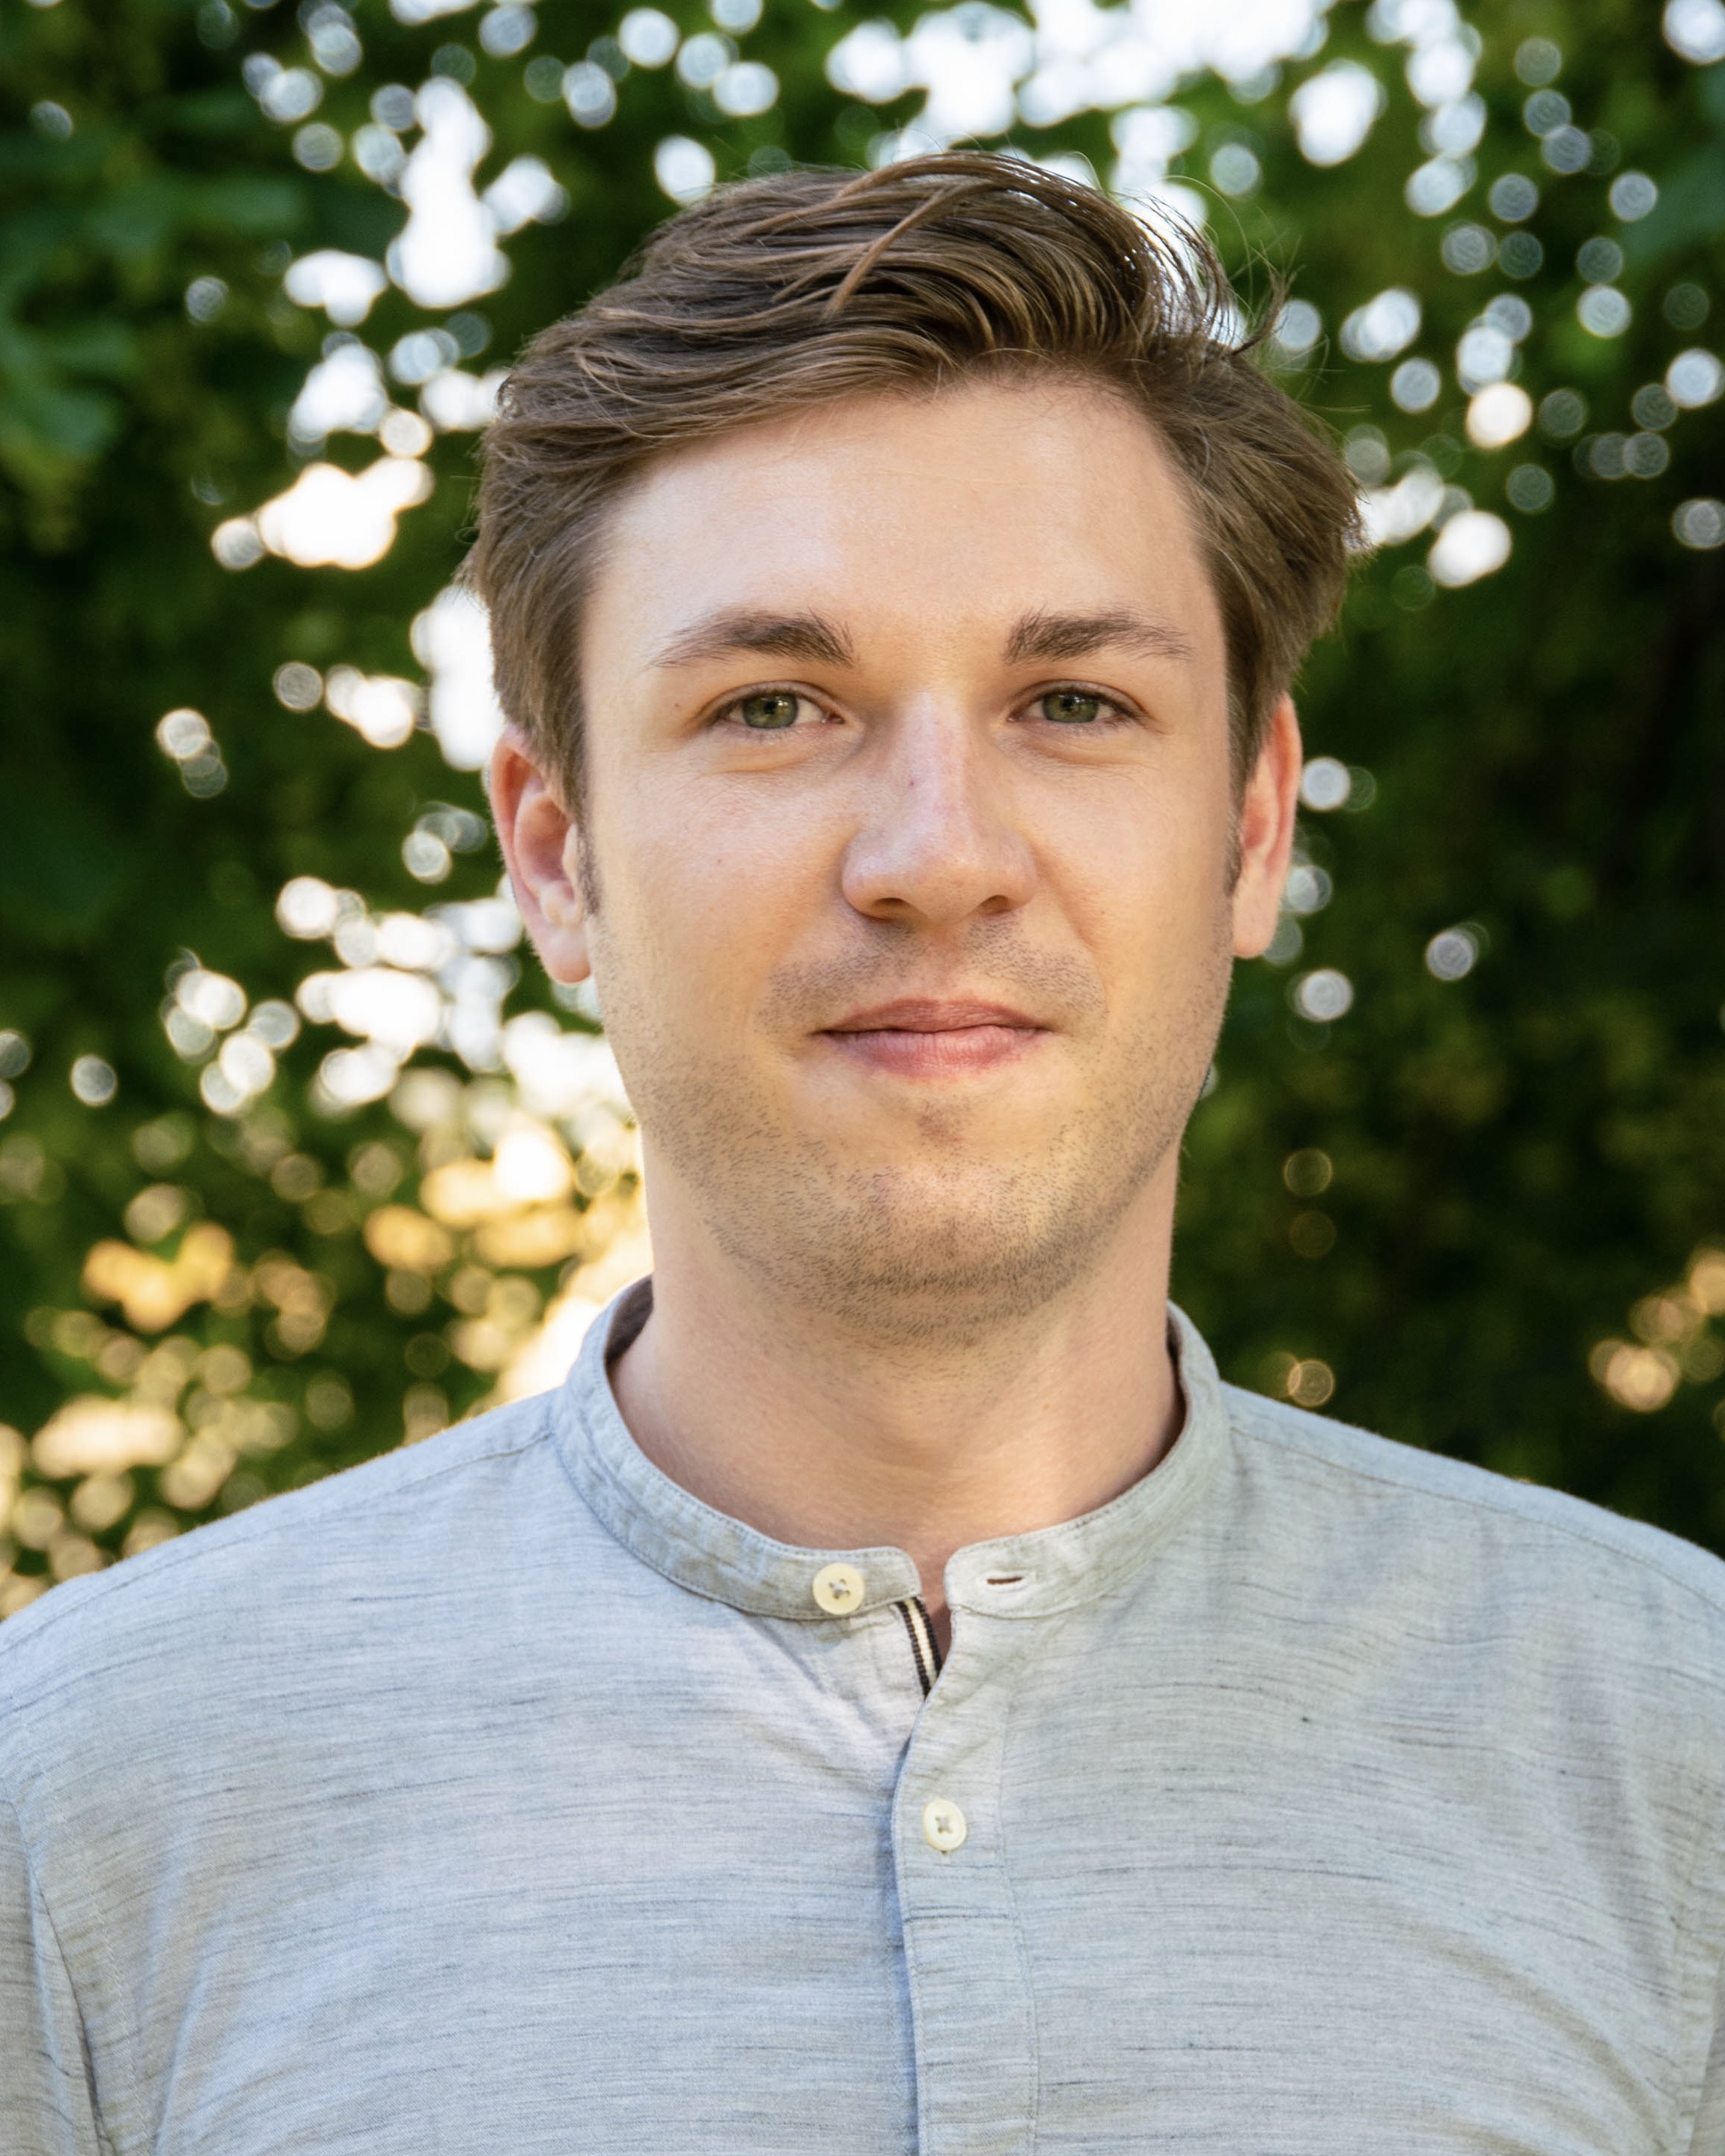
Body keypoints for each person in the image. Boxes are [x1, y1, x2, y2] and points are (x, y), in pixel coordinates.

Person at [4, 153, 1724, 2154]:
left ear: (1251, 827)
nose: (937, 857)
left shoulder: (1672, 1748)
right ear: (555, 855)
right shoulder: (82, 1802)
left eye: (1071, 699)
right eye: (773, 706)